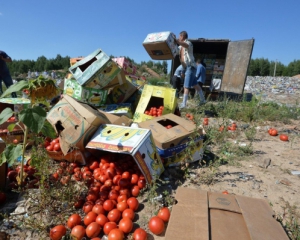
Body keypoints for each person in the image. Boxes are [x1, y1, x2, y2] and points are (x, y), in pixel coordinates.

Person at [173, 31, 205, 108]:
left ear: (182, 36)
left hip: (190, 66)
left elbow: (186, 45)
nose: (179, 38)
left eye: (179, 36)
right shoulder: (180, 47)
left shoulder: (188, 43)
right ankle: (203, 100)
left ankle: (184, 104)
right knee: (195, 85)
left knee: (186, 86)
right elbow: (176, 51)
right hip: (185, 67)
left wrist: (177, 41)